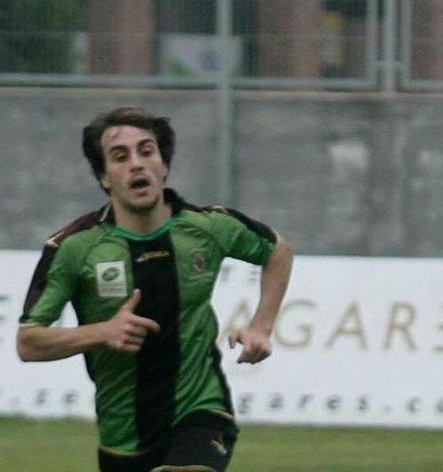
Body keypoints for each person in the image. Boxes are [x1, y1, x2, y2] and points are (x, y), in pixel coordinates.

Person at [17, 107, 294, 472]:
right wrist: (102, 332)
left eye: (147, 151)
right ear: (103, 177)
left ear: (163, 165)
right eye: (120, 156)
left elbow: (277, 250)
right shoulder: (74, 249)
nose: (137, 164)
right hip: (123, 434)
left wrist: (261, 326)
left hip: (201, 408)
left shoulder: (207, 228)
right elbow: (29, 342)